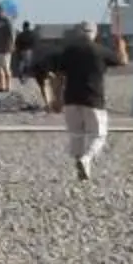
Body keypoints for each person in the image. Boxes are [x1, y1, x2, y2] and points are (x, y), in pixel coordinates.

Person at [53, 20, 119, 181]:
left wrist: (56, 98)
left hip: (71, 98)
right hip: (93, 98)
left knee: (76, 135)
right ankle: (87, 159)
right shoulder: (100, 51)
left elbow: (58, 76)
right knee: (98, 135)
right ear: (94, 33)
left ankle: (81, 166)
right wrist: (121, 46)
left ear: (79, 33)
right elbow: (121, 61)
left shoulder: (69, 51)